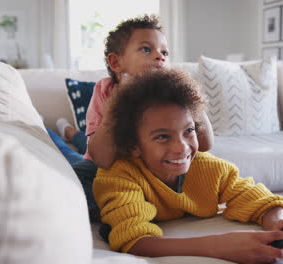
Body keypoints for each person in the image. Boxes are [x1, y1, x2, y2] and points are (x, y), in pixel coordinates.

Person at [93, 69, 283, 263]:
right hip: (92, 182)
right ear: (134, 145)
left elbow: (256, 198)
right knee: (76, 160)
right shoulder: (118, 177)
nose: (182, 148)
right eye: (162, 137)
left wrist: (279, 222)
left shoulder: (208, 168)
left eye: (189, 131)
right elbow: (133, 241)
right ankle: (66, 132)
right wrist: (220, 246)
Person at [48, 14, 214, 222]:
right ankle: (61, 132)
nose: (160, 57)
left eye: (164, 52)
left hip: (148, 172)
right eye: (147, 49)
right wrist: (116, 106)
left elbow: (206, 145)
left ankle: (72, 132)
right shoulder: (106, 92)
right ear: (116, 62)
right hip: (109, 164)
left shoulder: (171, 96)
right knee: (76, 168)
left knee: (81, 143)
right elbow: (101, 158)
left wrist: (189, 94)